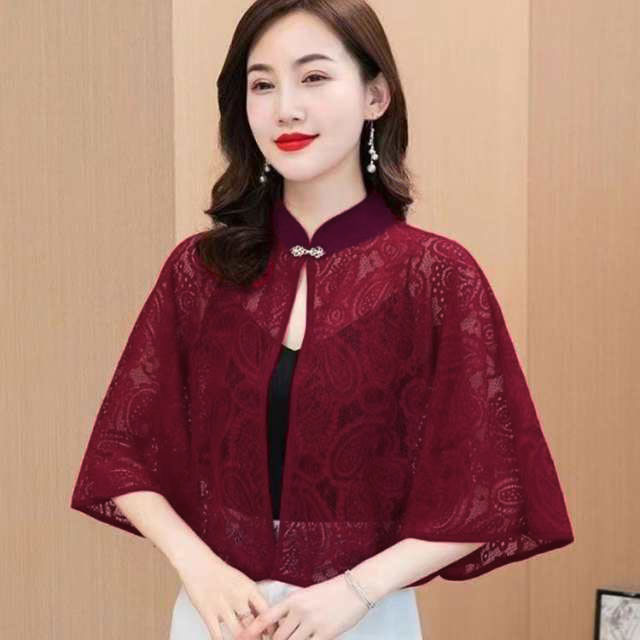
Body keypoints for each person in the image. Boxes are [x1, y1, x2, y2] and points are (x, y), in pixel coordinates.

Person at [70, 1, 575, 639]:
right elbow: (120, 452)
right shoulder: (199, 273)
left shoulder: (437, 277)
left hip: (363, 618)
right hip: (217, 617)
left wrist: (355, 591)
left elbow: (494, 482)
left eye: (313, 77)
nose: (286, 108)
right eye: (262, 85)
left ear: (375, 96)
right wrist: (198, 567)